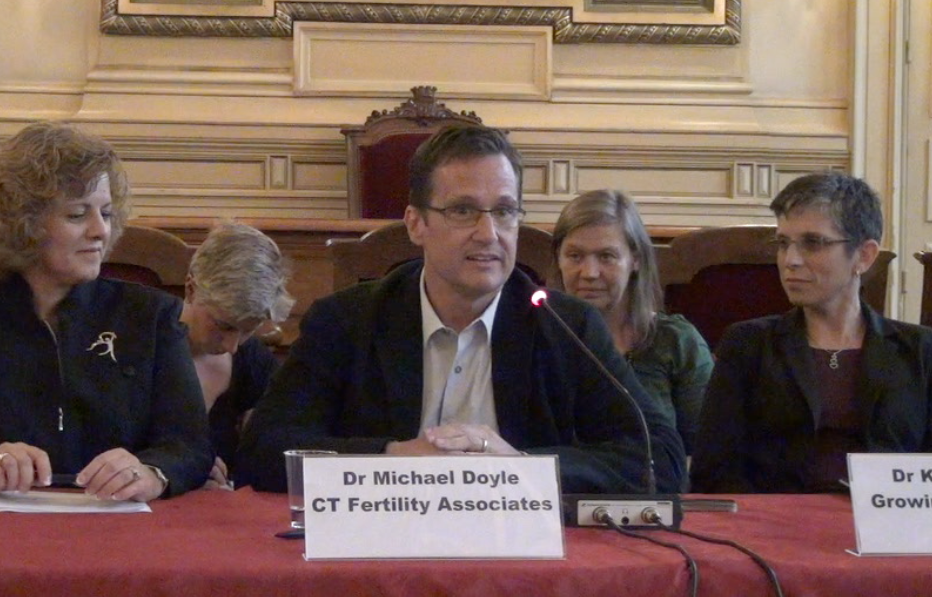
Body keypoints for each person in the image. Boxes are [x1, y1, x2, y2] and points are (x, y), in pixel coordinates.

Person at [238, 125, 686, 494]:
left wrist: (519, 465)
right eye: (463, 211)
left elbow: (659, 458)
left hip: (521, 553)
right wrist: (393, 458)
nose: (488, 233)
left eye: (505, 211)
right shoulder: (347, 321)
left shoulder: (564, 326)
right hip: (380, 547)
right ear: (416, 224)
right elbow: (265, 450)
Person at [0, 121, 212, 501]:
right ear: (22, 223)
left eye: (107, 214)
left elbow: (190, 445)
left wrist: (151, 472)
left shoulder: (150, 315)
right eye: (77, 215)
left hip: (118, 521)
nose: (100, 231)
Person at [691, 172, 932, 493]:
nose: (790, 260)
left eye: (813, 243)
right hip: (772, 521)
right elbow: (714, 471)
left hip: (889, 522)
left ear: (864, 255)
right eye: (783, 244)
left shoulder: (920, 350)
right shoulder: (748, 344)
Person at [552, 189, 712, 456]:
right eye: (575, 256)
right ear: (559, 258)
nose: (589, 273)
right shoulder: (538, 339)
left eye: (606, 256)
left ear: (635, 259)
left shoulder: (676, 341)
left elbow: (706, 454)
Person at [180, 222, 294, 489]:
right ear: (191, 289)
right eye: (224, 326)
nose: (232, 346)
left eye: (247, 330)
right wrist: (177, 467)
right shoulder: (142, 347)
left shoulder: (253, 360)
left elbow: (268, 452)